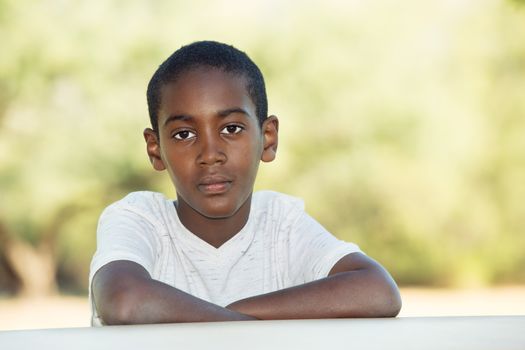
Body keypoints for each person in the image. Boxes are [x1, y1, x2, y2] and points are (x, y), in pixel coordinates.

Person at [89, 40, 402, 326]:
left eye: (232, 129)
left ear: (267, 139)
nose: (210, 155)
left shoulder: (280, 224)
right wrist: (243, 327)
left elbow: (378, 291)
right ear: (155, 149)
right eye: (184, 134)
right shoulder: (139, 218)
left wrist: (234, 312)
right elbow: (123, 300)